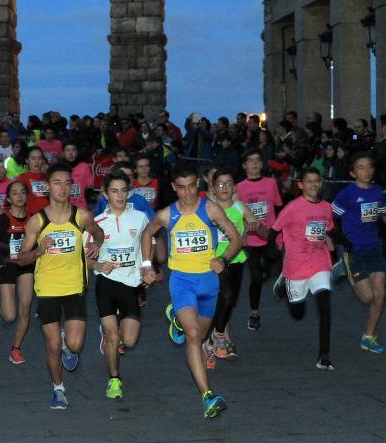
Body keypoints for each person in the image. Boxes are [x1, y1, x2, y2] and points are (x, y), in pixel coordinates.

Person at [140, 165, 241, 419]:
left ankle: (176, 317)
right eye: (182, 187)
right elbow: (147, 233)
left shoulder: (211, 209)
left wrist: (224, 259)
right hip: (182, 282)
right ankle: (207, 396)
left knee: (200, 333)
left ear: (199, 184)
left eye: (192, 186)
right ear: (174, 187)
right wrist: (146, 265)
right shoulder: (167, 214)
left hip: (209, 282)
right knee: (194, 336)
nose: (187, 192)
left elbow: (236, 238)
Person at [17, 163, 104, 409]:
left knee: (74, 345)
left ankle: (68, 346)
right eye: (57, 183)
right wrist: (39, 251)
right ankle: (58, 389)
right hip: (47, 289)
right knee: (52, 346)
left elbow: (98, 232)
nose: (63, 188)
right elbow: (21, 258)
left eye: (67, 183)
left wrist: (96, 243)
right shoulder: (37, 221)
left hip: (75, 286)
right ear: (48, 187)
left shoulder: (81, 216)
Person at [86, 171, 148, 399]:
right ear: (105, 194)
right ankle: (114, 380)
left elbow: (148, 244)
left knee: (128, 340)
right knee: (113, 336)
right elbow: (84, 257)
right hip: (107, 283)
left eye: (123, 190)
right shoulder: (97, 223)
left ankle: (112, 334)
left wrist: (147, 267)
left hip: (131, 283)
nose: (120, 195)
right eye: (114, 191)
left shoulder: (140, 218)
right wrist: (98, 265)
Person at [271, 167, 336, 370]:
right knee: (298, 313)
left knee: (324, 304)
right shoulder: (292, 207)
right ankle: (284, 283)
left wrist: (341, 246)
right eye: (309, 181)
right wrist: (271, 256)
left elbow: (329, 230)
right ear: (300, 185)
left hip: (319, 261)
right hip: (296, 264)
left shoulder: (326, 207)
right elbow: (274, 230)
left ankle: (323, 355)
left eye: (317, 180)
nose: (313, 184)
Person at [331, 152, 386, 353]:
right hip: (354, 251)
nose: (366, 171)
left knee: (380, 294)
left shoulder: (377, 192)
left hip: (375, 248)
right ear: (352, 173)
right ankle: (342, 266)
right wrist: (336, 241)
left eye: (369, 166)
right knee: (367, 297)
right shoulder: (347, 194)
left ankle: (368, 337)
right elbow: (330, 217)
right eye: (361, 167)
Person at [209, 168, 262, 362]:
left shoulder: (239, 207)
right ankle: (219, 335)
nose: (224, 187)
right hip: (216, 260)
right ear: (213, 188)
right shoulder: (208, 208)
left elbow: (254, 221)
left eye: (229, 183)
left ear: (234, 188)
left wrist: (253, 224)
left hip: (237, 259)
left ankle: (216, 336)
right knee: (226, 296)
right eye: (220, 184)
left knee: (230, 300)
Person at [0, 180, 34, 365]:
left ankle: (16, 349)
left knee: (25, 308)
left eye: (22, 193)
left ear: (27, 196)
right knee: (10, 316)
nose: (19, 196)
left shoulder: (33, 219)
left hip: (25, 266)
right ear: (9, 199)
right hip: (6, 267)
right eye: (15, 193)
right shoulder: (4, 219)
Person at [235, 148, 283, 331]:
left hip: (270, 236)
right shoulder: (239, 187)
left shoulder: (271, 183)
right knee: (255, 278)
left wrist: (281, 233)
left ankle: (271, 274)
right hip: (251, 240)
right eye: (250, 160)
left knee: (273, 269)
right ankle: (254, 313)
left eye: (257, 160)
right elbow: (237, 214)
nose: (254, 164)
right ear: (244, 165)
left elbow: (278, 208)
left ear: (262, 164)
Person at [15, 146, 50, 217]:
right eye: (33, 158)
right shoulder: (21, 178)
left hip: (50, 217)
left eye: (40, 158)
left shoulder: (49, 178)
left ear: (43, 160)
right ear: (27, 160)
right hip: (31, 218)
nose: (37, 162)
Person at [61, 140, 94, 211]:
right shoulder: (58, 169)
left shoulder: (85, 167)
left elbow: (90, 188)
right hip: (62, 208)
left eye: (73, 150)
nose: (71, 153)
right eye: (67, 150)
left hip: (81, 208)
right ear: (63, 153)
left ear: (77, 152)